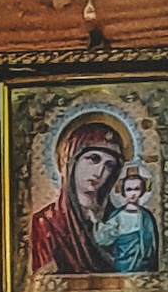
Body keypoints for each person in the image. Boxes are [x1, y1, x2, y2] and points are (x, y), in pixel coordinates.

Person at [28, 115, 129, 277]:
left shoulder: (117, 220)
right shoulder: (46, 222)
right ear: (72, 161)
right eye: (93, 159)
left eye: (109, 165)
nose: (100, 172)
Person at [96, 166, 160, 273]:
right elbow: (105, 238)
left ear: (142, 191)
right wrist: (96, 223)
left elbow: (151, 244)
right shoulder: (118, 215)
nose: (133, 193)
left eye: (136, 189)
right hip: (121, 263)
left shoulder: (146, 217)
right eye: (129, 189)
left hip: (141, 264)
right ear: (124, 192)